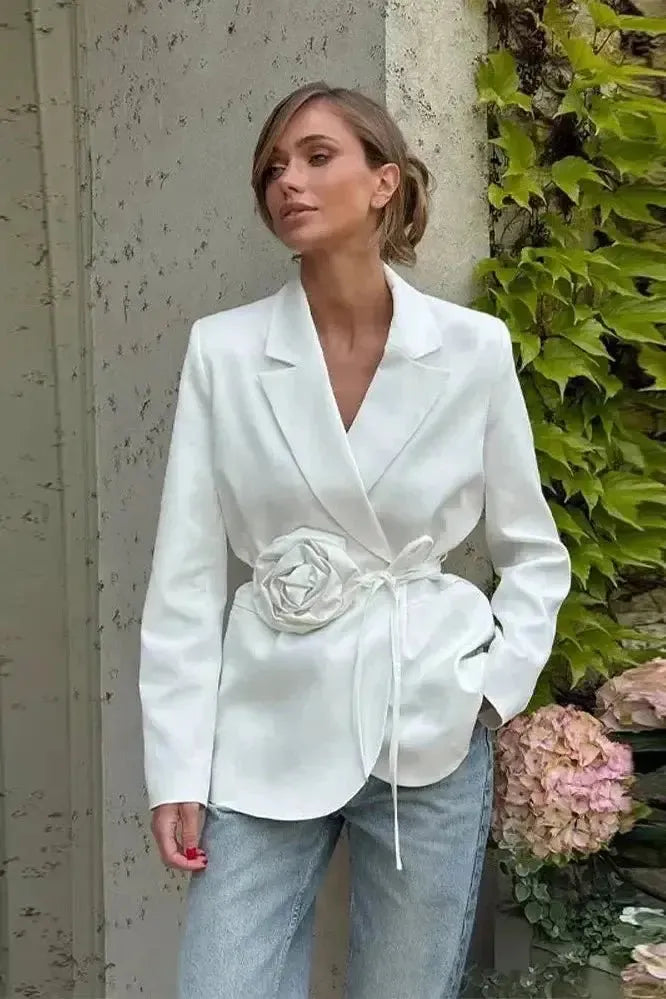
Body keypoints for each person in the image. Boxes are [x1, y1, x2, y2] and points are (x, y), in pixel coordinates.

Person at [138, 82, 571, 999]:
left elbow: (534, 552)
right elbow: (184, 576)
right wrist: (175, 765)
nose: (287, 182)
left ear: (384, 182)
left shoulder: (472, 348)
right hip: (266, 720)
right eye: (272, 168)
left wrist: (490, 692)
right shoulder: (224, 351)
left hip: (428, 721)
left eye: (316, 156)